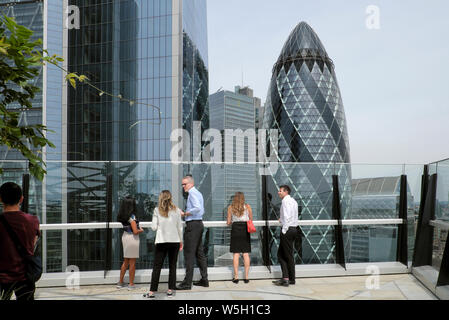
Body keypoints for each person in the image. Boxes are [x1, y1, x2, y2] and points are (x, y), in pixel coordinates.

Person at [0, 182, 40, 300]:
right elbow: (32, 245)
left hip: (2, 278)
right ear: (21, 199)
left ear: (1, 199)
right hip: (25, 276)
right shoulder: (33, 221)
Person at [144, 190, 183, 299]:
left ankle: (152, 292)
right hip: (174, 241)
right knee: (172, 266)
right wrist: (181, 241)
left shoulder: (157, 210)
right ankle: (170, 290)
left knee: (157, 267)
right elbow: (180, 227)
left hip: (161, 241)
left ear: (161, 198)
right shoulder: (177, 210)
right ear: (170, 198)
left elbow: (153, 227)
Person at [176, 175, 209, 290]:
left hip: (193, 225)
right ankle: (204, 280)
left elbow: (198, 208)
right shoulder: (198, 193)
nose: (183, 186)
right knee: (199, 253)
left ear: (191, 184)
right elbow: (202, 210)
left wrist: (185, 213)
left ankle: (187, 283)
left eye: (184, 184)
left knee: (189, 254)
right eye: (182, 184)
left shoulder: (192, 193)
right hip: (198, 224)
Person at [272, 185, 301, 287]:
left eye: (280, 191)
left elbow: (288, 216)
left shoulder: (285, 201)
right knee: (288, 255)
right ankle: (291, 279)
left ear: (286, 192)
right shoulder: (293, 201)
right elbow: (292, 216)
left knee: (282, 255)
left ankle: (286, 279)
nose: (278, 193)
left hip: (287, 230)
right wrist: (282, 219)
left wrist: (284, 230)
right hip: (294, 229)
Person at [117, 197, 143, 290]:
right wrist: (141, 230)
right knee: (132, 263)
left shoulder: (122, 216)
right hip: (132, 238)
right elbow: (135, 231)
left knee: (125, 261)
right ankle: (131, 284)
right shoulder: (132, 217)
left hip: (125, 236)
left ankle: (120, 282)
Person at [226, 192, 253, 284]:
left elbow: (228, 222)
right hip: (245, 229)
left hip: (235, 229)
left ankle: (236, 277)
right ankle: (246, 277)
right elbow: (250, 219)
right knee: (245, 253)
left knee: (236, 254)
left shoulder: (230, 207)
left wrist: (233, 221)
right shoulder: (248, 206)